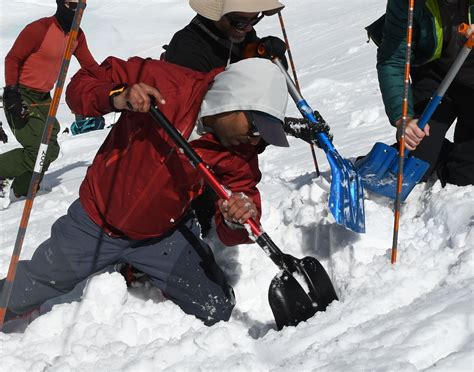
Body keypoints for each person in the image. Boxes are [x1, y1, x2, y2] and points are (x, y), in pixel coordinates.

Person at [0, 57, 291, 331]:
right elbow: (80, 87)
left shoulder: (241, 153)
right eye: (254, 127)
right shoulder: (163, 82)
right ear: (233, 100)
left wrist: (236, 220)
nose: (255, 139)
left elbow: (243, 198)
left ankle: (136, 267)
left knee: (217, 308)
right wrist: (118, 96)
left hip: (163, 234)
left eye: (262, 135)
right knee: (31, 286)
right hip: (97, 222)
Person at [163, 0, 332, 236]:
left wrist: (261, 58)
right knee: (196, 219)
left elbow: (251, 96)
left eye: (255, 19)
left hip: (232, 152)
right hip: (187, 154)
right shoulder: (187, 50)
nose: (248, 27)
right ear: (217, 13)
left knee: (232, 208)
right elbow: (208, 120)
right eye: (241, 21)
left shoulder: (240, 32)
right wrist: (286, 127)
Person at [0, 0, 98, 208]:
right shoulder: (39, 29)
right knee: (37, 150)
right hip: (21, 94)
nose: (77, 11)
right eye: (73, 5)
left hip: (44, 98)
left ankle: (22, 190)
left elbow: (89, 66)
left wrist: (115, 83)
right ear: (61, 3)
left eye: (82, 6)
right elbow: (13, 58)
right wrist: (11, 92)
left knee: (50, 150)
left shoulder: (76, 36)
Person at [368, 0, 474, 186]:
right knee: (417, 159)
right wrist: (403, 118)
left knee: (464, 176)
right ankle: (437, 153)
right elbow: (392, 61)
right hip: (435, 76)